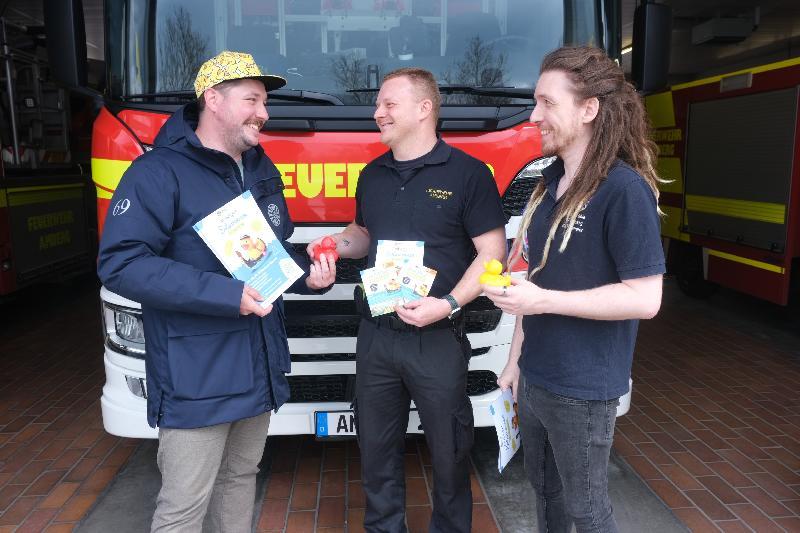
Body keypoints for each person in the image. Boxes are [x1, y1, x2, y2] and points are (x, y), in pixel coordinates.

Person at [97, 51, 336, 532]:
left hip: (258, 362)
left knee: (240, 478)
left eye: (264, 102)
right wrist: (228, 295)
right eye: (252, 100)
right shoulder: (157, 172)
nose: (264, 114)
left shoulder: (259, 168)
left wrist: (305, 277)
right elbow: (120, 264)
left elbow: (267, 255)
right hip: (197, 376)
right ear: (213, 99)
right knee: (184, 506)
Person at [308, 68, 507, 532]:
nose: (377, 113)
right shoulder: (373, 175)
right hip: (377, 336)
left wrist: (450, 304)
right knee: (375, 453)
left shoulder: (469, 174)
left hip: (437, 337)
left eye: (388, 104)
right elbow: (365, 235)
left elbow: (492, 253)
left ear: (424, 109)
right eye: (379, 105)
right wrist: (336, 244)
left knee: (450, 453)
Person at [481, 46, 665, 533]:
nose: (534, 115)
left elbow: (646, 299)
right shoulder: (550, 182)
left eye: (547, 103)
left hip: (584, 388)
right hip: (537, 378)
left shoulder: (624, 190)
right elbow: (538, 278)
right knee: (547, 497)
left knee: (587, 511)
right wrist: (515, 359)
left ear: (589, 109)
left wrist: (542, 301)